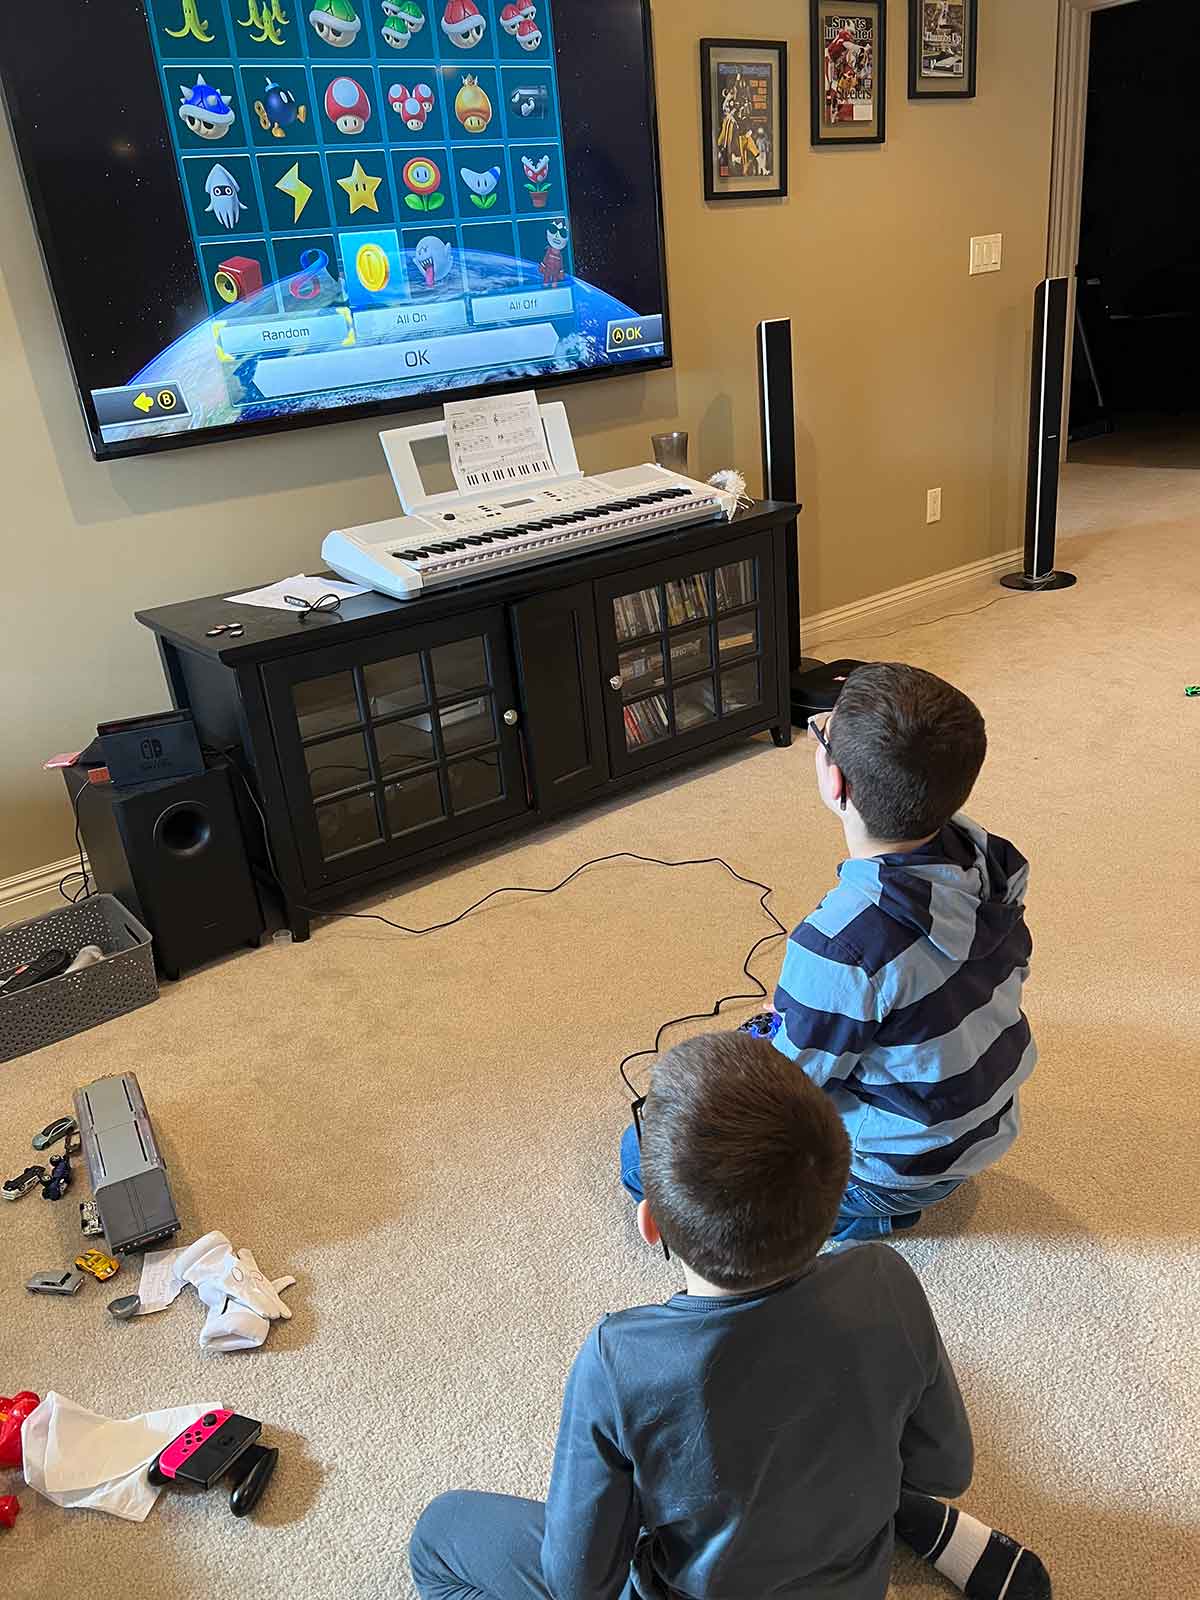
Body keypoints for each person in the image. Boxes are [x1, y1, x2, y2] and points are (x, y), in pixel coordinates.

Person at [410, 1034, 1051, 1600]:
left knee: (440, 1535)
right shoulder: (885, 1278)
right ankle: (899, 1517)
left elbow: (581, 1583)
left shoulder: (619, 1360)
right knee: (840, 1433)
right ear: (836, 1206)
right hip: (850, 1576)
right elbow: (946, 1469)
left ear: (650, 1224)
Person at [619, 662, 1037, 1244]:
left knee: (644, 1149)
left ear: (835, 781)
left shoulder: (840, 944)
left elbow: (788, 1088)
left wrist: (730, 1070)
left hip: (896, 1167)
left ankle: (866, 1211)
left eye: (820, 734)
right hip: (985, 1124)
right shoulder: (992, 857)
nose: (816, 733)